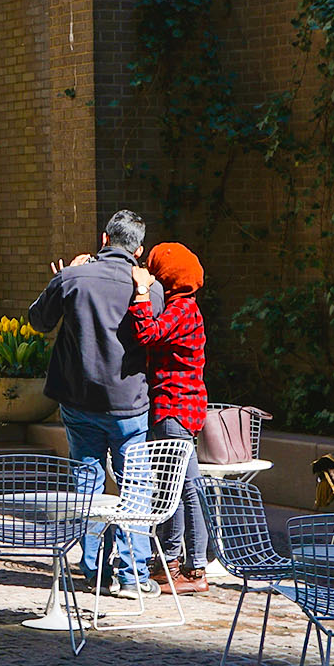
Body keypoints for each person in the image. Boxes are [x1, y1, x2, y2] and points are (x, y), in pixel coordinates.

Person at [29, 209, 165, 597]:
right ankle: (133, 575)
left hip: (79, 399)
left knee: (85, 485)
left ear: (104, 240)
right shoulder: (150, 289)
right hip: (129, 404)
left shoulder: (73, 278)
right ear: (138, 250)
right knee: (135, 488)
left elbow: (38, 321)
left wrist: (59, 278)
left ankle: (95, 571)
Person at [130, 242, 210, 593]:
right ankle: (179, 564)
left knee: (179, 489)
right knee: (182, 487)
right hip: (183, 408)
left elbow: (147, 333)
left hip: (172, 407)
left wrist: (142, 293)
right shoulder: (188, 308)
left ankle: (187, 568)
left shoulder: (180, 310)